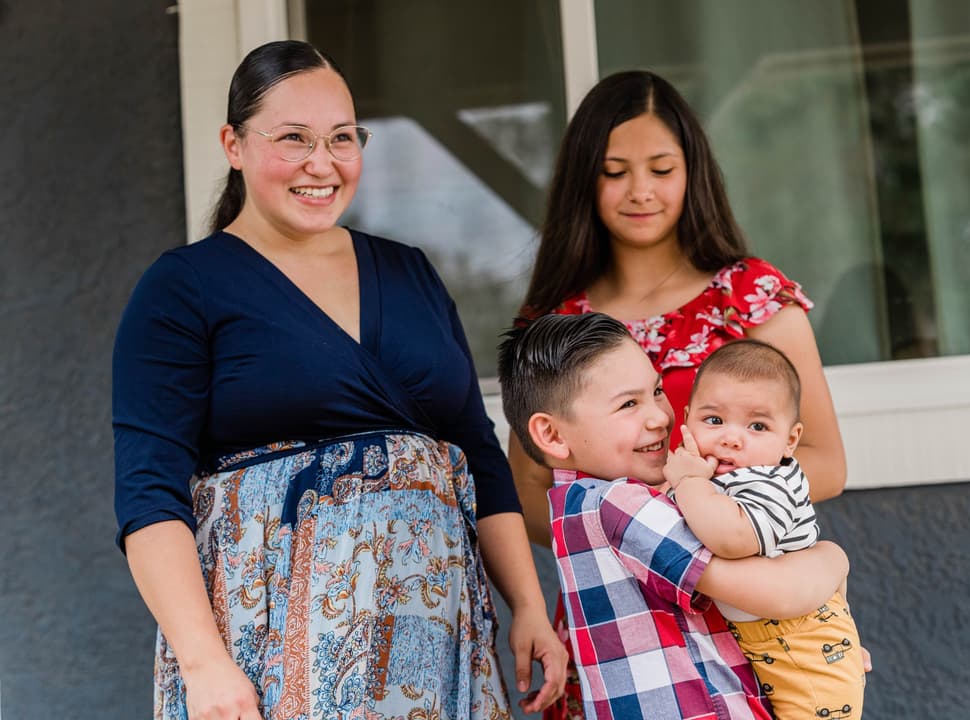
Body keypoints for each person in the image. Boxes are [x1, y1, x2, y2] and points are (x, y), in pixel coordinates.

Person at [113, 40, 564, 720]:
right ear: (234, 144)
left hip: (433, 647)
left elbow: (477, 451)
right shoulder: (182, 288)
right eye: (293, 138)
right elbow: (148, 493)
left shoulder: (411, 273)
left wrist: (527, 602)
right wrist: (204, 663)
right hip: (264, 654)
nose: (321, 164)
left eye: (342, 138)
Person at [508, 69, 848, 718]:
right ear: (584, 180)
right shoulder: (556, 321)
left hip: (744, 612)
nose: (641, 190)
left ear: (694, 174)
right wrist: (623, 543)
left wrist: (706, 520)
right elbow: (528, 485)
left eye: (662, 169)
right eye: (614, 172)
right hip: (614, 627)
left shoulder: (750, 298)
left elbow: (826, 463)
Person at [497, 312, 850, 720]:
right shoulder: (617, 505)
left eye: (657, 391)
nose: (661, 416)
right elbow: (779, 593)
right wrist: (833, 558)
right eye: (629, 404)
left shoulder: (585, 503)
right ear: (553, 435)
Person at [664, 339, 865, 719]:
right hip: (758, 645)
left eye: (757, 426)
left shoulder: (770, 482)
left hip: (805, 651)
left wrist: (687, 483)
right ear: (687, 419)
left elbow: (733, 539)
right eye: (713, 420)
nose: (731, 437)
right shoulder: (710, 476)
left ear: (790, 440)